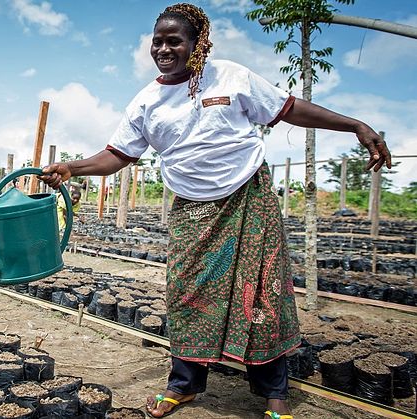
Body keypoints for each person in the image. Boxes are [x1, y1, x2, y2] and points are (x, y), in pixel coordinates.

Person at [39, 4, 391, 419]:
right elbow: (118, 155)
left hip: (248, 199)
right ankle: (184, 386)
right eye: (158, 42)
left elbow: (290, 108)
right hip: (192, 210)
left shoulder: (231, 77)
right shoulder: (147, 101)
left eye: (175, 41)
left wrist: (355, 125)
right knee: (188, 294)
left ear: (197, 44)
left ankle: (274, 395)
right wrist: (72, 166)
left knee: (262, 294)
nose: (164, 50)